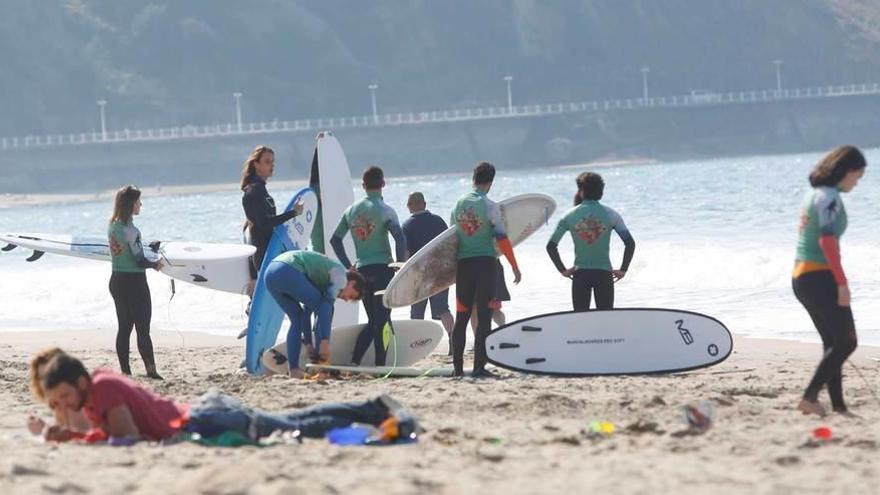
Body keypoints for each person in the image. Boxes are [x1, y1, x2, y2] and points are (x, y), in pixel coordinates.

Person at [36, 351, 418, 443]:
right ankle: (372, 409)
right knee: (292, 423)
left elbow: (126, 438)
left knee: (296, 426)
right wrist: (75, 433)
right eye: (56, 402)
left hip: (203, 421)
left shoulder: (100, 391)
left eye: (64, 396)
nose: (64, 406)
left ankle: (373, 409)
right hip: (204, 412)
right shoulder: (97, 385)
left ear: (79, 381)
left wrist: (75, 437)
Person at [792, 145, 866, 417]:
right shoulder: (830, 198)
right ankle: (809, 398)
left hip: (802, 277)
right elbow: (827, 241)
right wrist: (842, 283)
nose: (857, 183)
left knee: (833, 342)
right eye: (857, 176)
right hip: (820, 277)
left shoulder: (813, 195)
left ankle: (838, 406)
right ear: (846, 171)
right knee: (847, 342)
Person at [450, 161, 521, 378]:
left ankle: (458, 369)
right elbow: (501, 238)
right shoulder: (490, 206)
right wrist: (514, 266)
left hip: (464, 266)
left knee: (461, 317)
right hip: (485, 266)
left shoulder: (457, 205)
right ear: (490, 182)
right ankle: (479, 367)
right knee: (484, 315)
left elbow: (451, 239)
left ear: (474, 179)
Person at [330, 166, 407, 366]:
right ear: (383, 184)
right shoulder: (386, 210)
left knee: (374, 320)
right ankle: (381, 365)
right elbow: (399, 238)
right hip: (383, 270)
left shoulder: (351, 211)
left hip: (362, 271)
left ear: (363, 186)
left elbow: (335, 240)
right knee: (382, 321)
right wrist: (400, 264)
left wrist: (349, 266)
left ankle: (355, 361)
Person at [264, 250, 366, 377]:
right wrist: (325, 343)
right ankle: (321, 364)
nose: (345, 299)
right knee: (327, 307)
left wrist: (308, 343)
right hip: (289, 269)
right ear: (352, 283)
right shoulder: (341, 278)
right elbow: (325, 308)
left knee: (297, 318)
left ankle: (294, 369)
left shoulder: (323, 281)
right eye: (350, 295)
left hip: (270, 273)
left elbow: (307, 313)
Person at [546, 172, 635, 311]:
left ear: (581, 190)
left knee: (581, 320)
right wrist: (623, 269)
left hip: (580, 275)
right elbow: (630, 243)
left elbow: (551, 246)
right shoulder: (612, 215)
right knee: (605, 318)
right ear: (601, 191)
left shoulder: (568, 216)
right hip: (604, 274)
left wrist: (563, 270)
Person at [108, 185, 164, 379]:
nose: (141, 204)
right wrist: (155, 264)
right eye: (139, 201)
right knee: (142, 329)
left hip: (117, 280)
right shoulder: (132, 230)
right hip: (135, 283)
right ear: (131, 204)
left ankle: (125, 372)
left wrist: (147, 249)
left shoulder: (113, 226)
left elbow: (126, 251)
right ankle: (151, 371)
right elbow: (139, 260)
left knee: (124, 328)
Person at [240, 145, 304, 296]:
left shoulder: (260, 189)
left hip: (270, 250)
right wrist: (292, 213)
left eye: (273, 162)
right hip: (264, 255)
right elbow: (264, 223)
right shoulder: (253, 191)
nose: (272, 165)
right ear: (256, 165)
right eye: (267, 161)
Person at [402, 192, 455, 354]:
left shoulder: (407, 226)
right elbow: (451, 243)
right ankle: (453, 339)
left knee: (417, 312)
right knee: (443, 309)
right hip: (441, 272)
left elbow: (406, 253)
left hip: (419, 276)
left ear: (409, 206)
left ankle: (415, 345)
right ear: (424, 204)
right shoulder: (438, 221)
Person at [26, 348, 90, 437]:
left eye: (50, 375)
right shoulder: (58, 403)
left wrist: (41, 431)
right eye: (42, 377)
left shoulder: (71, 403)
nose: (48, 381)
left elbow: (78, 437)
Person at [469, 259, 509, 334]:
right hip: (479, 267)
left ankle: (504, 332)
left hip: (487, 266)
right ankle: (478, 340)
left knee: (493, 308)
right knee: (475, 309)